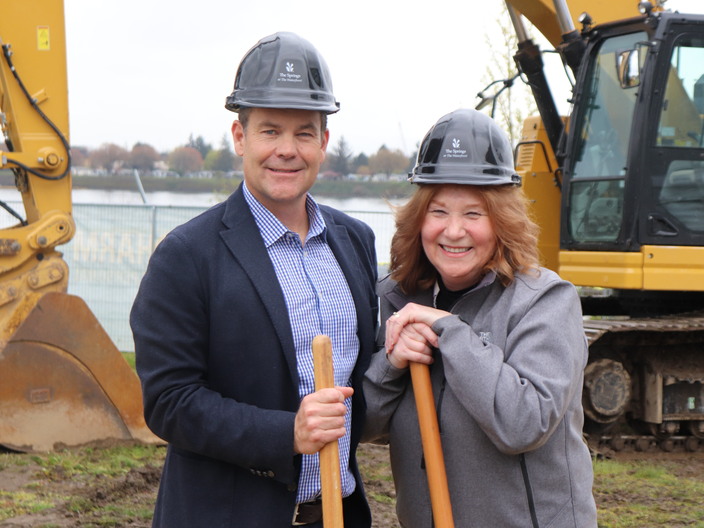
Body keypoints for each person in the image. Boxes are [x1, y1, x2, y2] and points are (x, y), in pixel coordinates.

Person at [130, 32, 378, 528]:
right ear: (240, 137)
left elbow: (365, 376)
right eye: (270, 131)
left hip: (337, 514)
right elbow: (170, 402)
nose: (287, 150)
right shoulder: (186, 256)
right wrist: (288, 433)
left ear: (323, 144)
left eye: (304, 133)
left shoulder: (355, 241)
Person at [363, 108, 598, 528]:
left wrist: (450, 331)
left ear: (502, 221)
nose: (454, 231)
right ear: (418, 220)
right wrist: (391, 363)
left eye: (474, 213)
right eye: (438, 211)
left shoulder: (545, 301)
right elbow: (363, 425)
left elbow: (523, 424)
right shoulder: (396, 299)